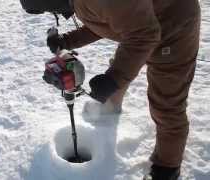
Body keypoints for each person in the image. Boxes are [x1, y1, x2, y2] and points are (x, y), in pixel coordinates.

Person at [20, 0, 201, 179]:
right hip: (140, 25)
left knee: (167, 104)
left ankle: (167, 167)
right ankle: (110, 107)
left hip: (174, 28)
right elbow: (108, 21)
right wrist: (67, 40)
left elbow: (144, 34)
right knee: (122, 64)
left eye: (48, 9)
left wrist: (115, 78)